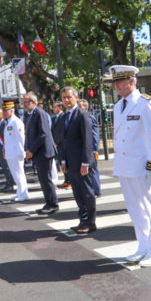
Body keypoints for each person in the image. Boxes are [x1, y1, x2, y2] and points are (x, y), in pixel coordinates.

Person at [110, 65, 151, 268]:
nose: (116, 86)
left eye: (120, 82)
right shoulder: (118, 106)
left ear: (132, 82)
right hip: (125, 165)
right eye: (114, 82)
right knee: (135, 210)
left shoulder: (145, 103)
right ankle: (143, 247)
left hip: (142, 165)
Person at [58, 87, 98, 234]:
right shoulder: (64, 117)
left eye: (69, 97)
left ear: (75, 97)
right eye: (63, 98)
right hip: (71, 162)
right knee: (77, 193)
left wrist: (85, 163)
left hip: (82, 162)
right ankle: (83, 220)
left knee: (87, 192)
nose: (66, 100)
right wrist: (63, 161)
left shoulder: (82, 115)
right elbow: (64, 141)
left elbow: (88, 141)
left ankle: (91, 222)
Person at [23, 92, 59, 215]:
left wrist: (31, 150)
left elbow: (43, 134)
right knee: (42, 179)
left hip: (44, 152)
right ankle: (48, 202)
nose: (23, 104)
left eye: (26, 102)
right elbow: (29, 135)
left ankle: (53, 204)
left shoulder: (40, 113)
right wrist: (28, 151)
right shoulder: (31, 115)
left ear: (33, 102)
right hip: (38, 152)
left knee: (46, 179)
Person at [1, 101, 28, 201]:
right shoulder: (9, 122)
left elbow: (21, 138)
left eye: (5, 110)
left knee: (19, 173)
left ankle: (23, 194)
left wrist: (22, 152)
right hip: (10, 153)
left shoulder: (16, 122)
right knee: (15, 174)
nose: (3, 112)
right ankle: (19, 192)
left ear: (12, 110)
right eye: (3, 110)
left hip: (16, 152)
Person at [77, 99, 102, 197]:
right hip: (83, 149)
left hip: (91, 149)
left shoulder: (90, 117)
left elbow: (95, 134)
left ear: (86, 108)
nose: (78, 108)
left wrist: (95, 149)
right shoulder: (77, 118)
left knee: (92, 170)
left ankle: (96, 190)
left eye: (80, 106)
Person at [0, 109, 15, 193]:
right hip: (0, 149)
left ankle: (10, 184)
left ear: (2, 114)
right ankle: (8, 182)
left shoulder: (5, 124)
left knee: (7, 167)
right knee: (4, 167)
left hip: (5, 149)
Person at [51, 101, 71, 189]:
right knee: (61, 163)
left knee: (66, 163)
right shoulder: (54, 118)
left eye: (55, 107)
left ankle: (70, 181)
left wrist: (57, 142)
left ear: (60, 107)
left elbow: (62, 132)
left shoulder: (64, 116)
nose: (53, 109)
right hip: (56, 145)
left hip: (62, 144)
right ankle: (66, 180)